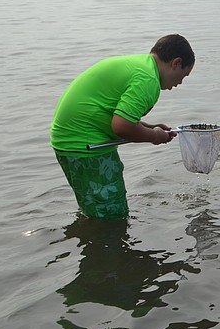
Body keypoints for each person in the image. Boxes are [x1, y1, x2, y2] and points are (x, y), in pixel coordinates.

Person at [51, 34, 195, 219]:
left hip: (67, 141)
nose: (179, 83)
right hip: (85, 145)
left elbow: (116, 114)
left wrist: (151, 127)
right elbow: (121, 126)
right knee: (113, 217)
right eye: (183, 76)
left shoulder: (140, 64)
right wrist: (155, 137)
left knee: (95, 211)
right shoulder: (148, 81)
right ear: (176, 63)